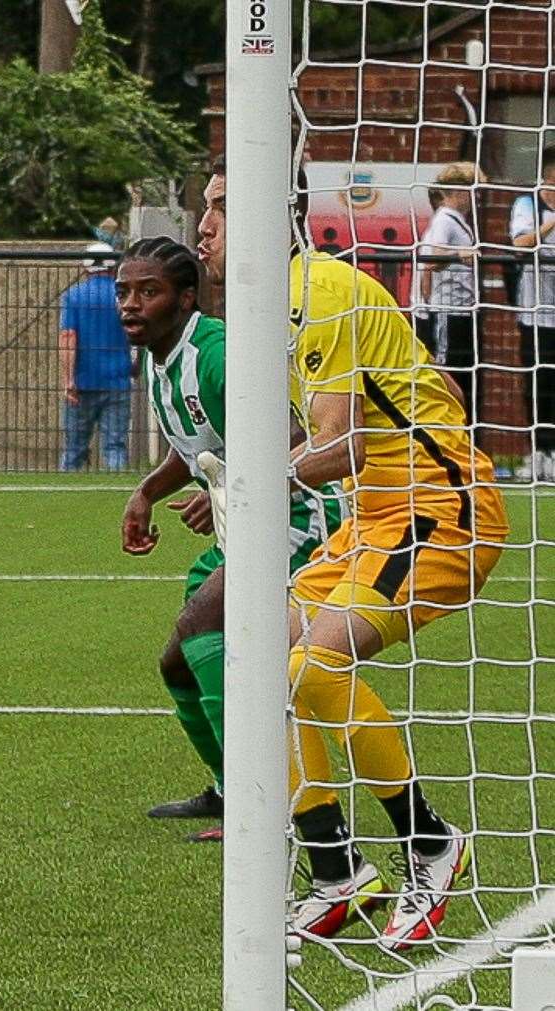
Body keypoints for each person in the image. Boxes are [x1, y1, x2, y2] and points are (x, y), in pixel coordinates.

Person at [198, 159, 507, 950]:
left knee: (314, 666)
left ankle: (431, 843)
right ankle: (336, 868)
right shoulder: (282, 302)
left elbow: (339, 444)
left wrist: (251, 479)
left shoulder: (317, 292)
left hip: (438, 512)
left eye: (222, 208)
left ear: (270, 215)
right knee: (259, 655)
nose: (205, 226)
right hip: (377, 516)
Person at [119, 237, 340, 844]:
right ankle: (228, 788)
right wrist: (149, 491)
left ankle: (265, 802)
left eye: (148, 291)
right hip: (245, 522)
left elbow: (291, 434)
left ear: (186, 299)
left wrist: (236, 482)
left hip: (298, 519)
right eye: (124, 292)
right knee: (178, 664)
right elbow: (194, 442)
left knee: (203, 633)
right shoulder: (161, 358)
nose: (130, 304)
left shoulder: (216, 354)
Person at [415, 162, 486, 444]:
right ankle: (445, 436)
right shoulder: (445, 219)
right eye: (471, 190)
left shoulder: (454, 221)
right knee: (447, 376)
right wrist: (460, 253)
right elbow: (431, 259)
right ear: (456, 191)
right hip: (447, 311)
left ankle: (457, 437)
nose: (475, 198)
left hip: (459, 311)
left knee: (462, 373)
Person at [59, 242, 134, 471]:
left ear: (86, 267)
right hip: (118, 380)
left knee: (74, 449)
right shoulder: (123, 297)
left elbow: (68, 336)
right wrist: (135, 363)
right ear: (114, 266)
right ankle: (117, 497)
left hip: (83, 382)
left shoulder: (74, 296)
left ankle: (64, 497)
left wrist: (69, 380)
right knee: (115, 446)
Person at [510, 150, 555, 477]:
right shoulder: (528, 206)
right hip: (536, 313)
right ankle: (540, 451)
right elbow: (520, 244)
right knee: (539, 381)